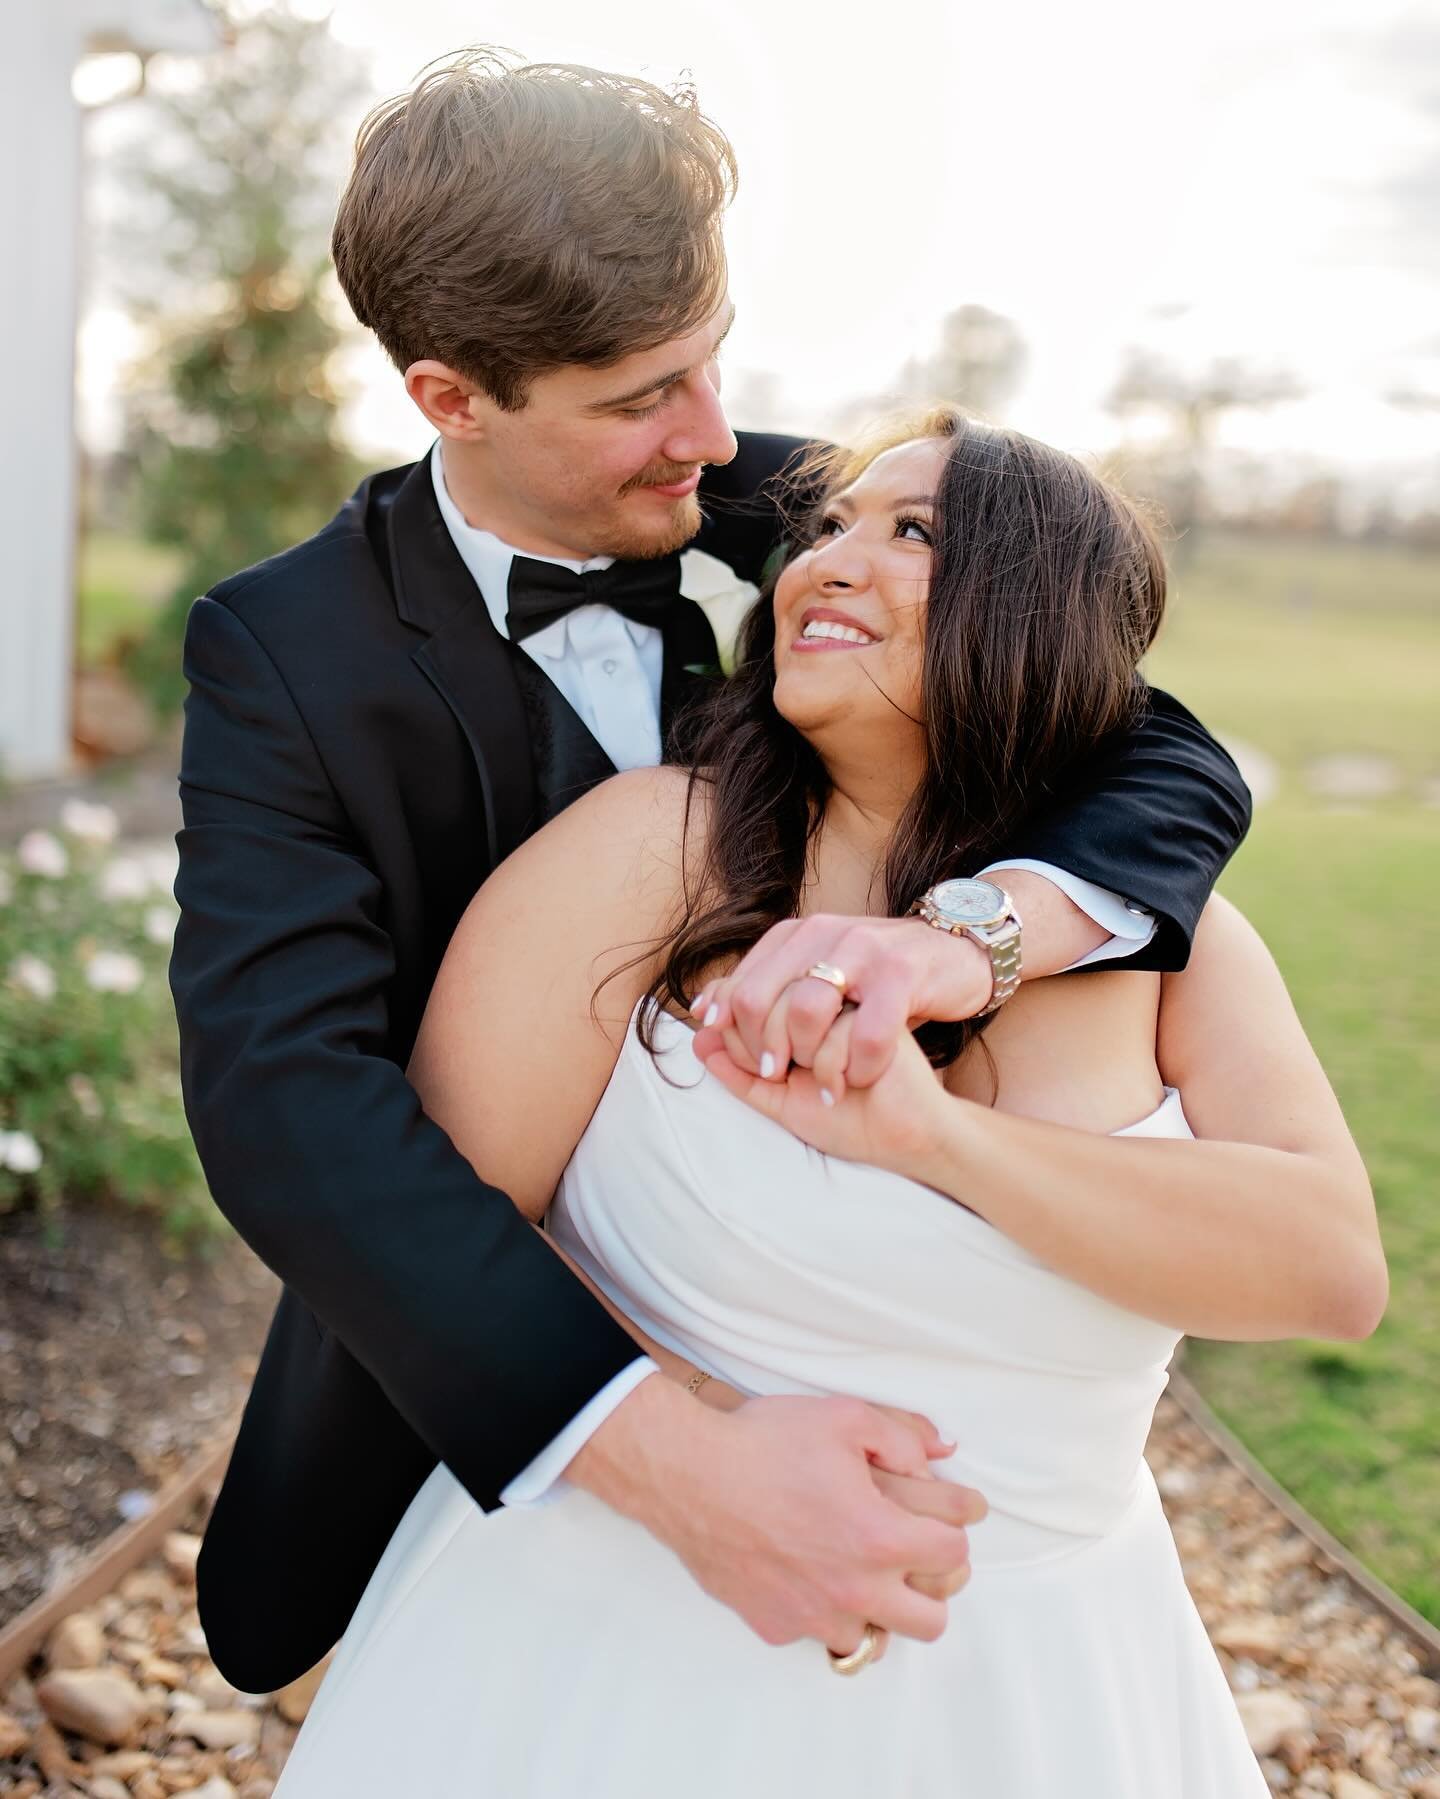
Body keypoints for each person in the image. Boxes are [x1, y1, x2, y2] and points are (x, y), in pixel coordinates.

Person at [170, 50, 1253, 1700]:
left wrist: (979, 942)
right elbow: (280, 1100)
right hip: (520, 1354)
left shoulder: (785, 505)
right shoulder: (284, 652)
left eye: (713, 361)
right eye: (636, 398)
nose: (720, 435)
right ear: (452, 397)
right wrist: (661, 1452)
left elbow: (1149, 740)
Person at [269, 412, 1385, 1795]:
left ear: (1033, 611)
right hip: (615, 1646)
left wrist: (937, 1140)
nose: (824, 564)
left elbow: (1333, 1270)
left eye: (912, 532)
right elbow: (449, 1219)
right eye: (827, 529)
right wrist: (696, 1439)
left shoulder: (1169, 943)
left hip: (1050, 1688)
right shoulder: (650, 852)